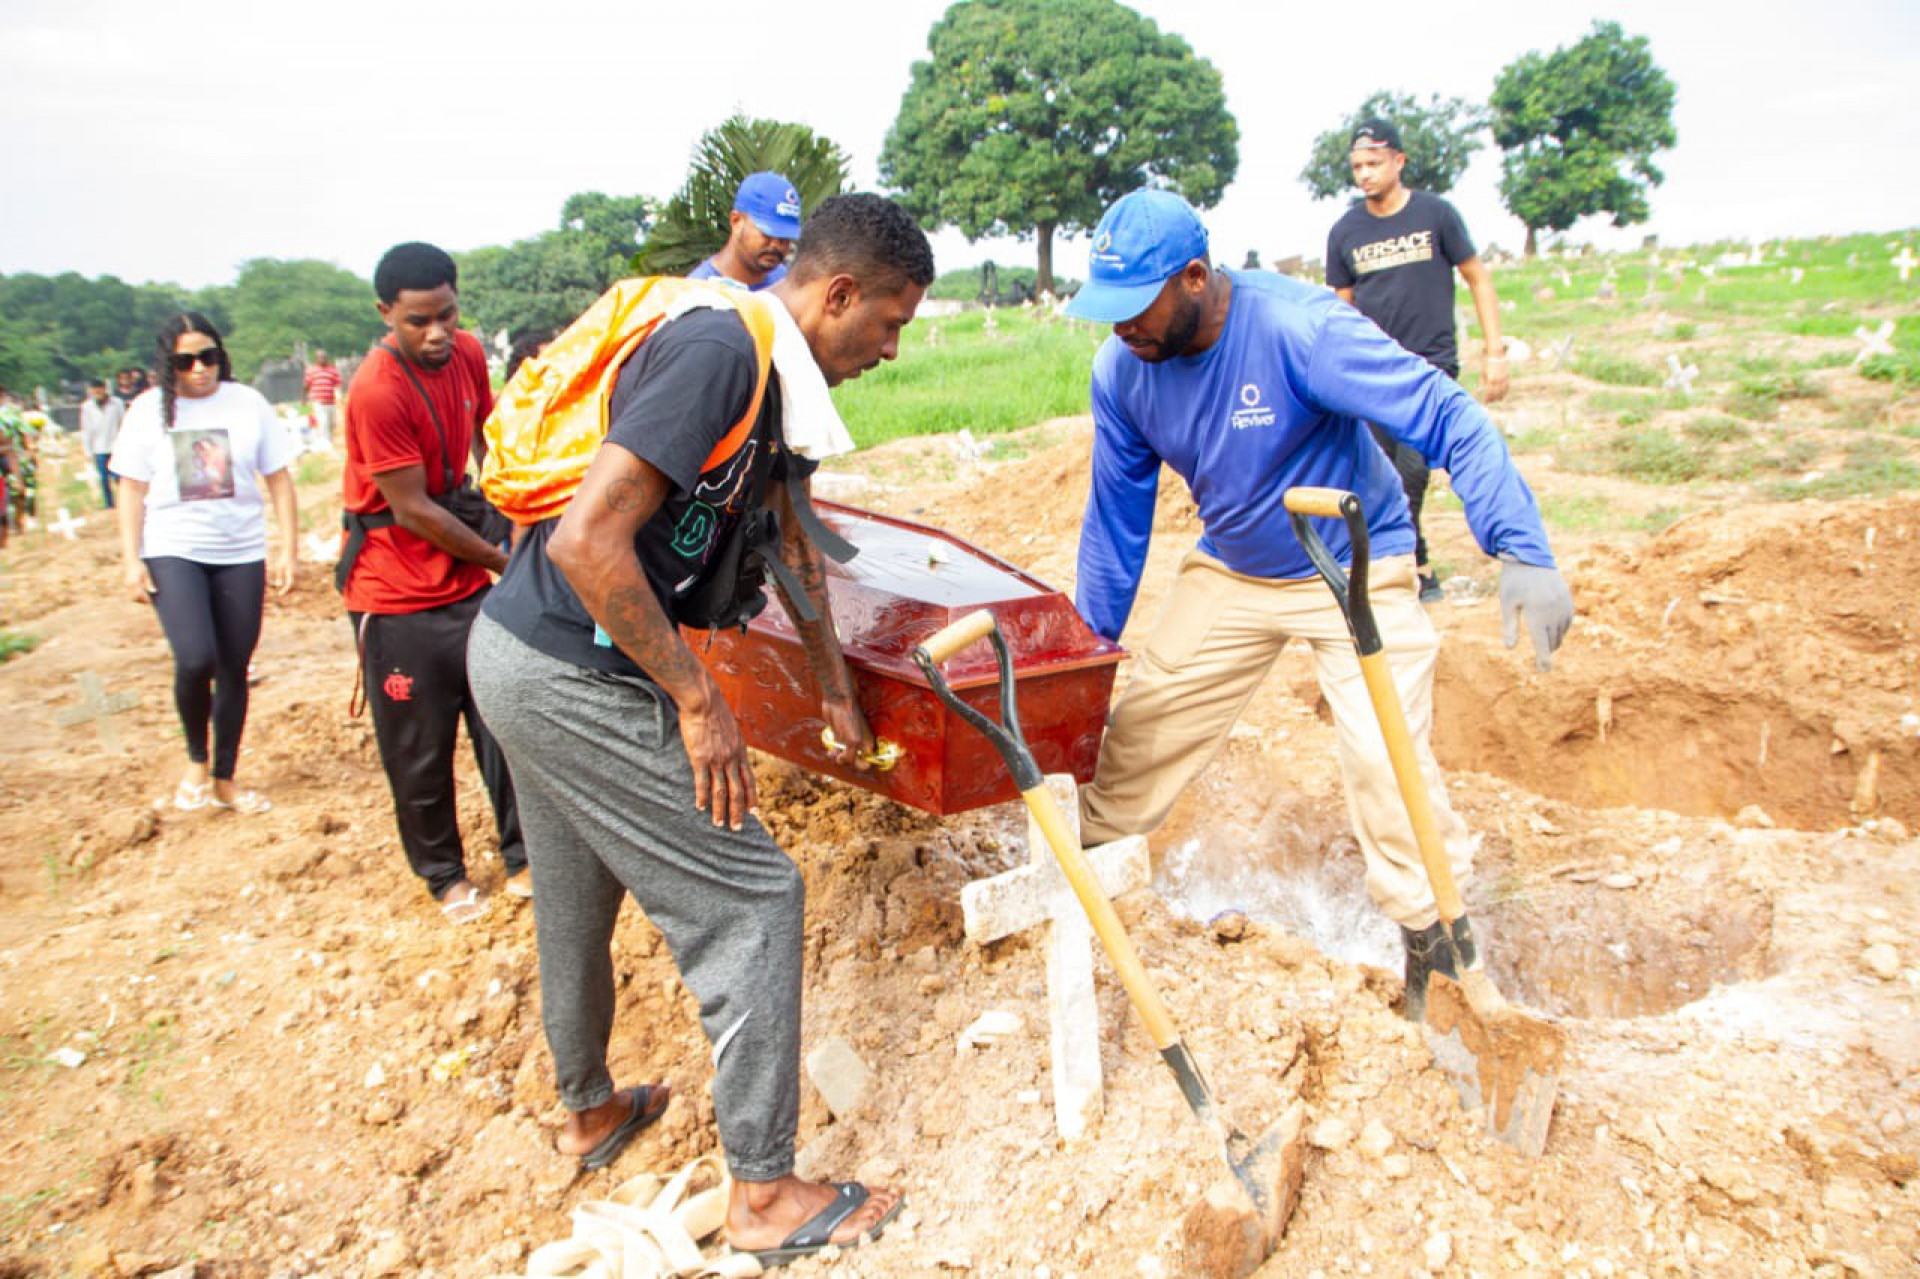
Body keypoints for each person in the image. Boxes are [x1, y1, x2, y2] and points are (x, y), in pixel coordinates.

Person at [466, 193, 930, 1263]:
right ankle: (765, 1195)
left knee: (577, 889)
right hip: (566, 670)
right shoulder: (723, 350)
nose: (894, 350)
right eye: (891, 323)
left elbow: (795, 542)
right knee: (758, 898)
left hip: (519, 655)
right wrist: (696, 698)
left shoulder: (777, 380)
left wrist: (832, 685)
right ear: (838, 294)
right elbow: (588, 541)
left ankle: (589, 1108)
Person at [1063, 190, 1572, 1019]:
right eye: (1107, 310)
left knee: (1386, 763)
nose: (1120, 328)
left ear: (1195, 278)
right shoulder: (1124, 373)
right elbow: (1114, 525)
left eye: (1135, 308)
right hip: (1234, 568)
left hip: (1350, 559)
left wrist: (1519, 545)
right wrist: (1083, 653)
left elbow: (1444, 413)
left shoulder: (1299, 328)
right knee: (1139, 736)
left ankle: (1438, 959)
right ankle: (1076, 893)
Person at [339, 242, 529, 924]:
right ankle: (443, 873)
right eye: (420, 320)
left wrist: (516, 515)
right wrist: (504, 561)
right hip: (398, 587)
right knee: (419, 744)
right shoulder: (376, 389)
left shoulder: (470, 353)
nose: (438, 332)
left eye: (448, 314)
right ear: (387, 313)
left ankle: (522, 853)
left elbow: (491, 439)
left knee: (498, 718)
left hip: (465, 560)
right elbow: (413, 508)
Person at [108, 313, 297, 814]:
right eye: (185, 361)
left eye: (208, 357)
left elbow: (279, 479)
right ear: (168, 365)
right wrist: (131, 559)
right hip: (174, 547)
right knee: (196, 657)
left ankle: (224, 777)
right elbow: (130, 488)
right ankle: (196, 758)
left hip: (240, 550)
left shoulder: (247, 403)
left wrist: (288, 549)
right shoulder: (149, 411)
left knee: (235, 665)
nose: (199, 369)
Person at [1326, 119, 1511, 603]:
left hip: (1430, 367)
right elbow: (1339, 308)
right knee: (1378, 474)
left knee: (1412, 471)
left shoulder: (1436, 215)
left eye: (1374, 163)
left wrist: (1495, 353)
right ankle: (1416, 566)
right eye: (1357, 166)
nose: (1364, 174)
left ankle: (1406, 566)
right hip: (1371, 371)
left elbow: (1479, 279)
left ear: (1399, 161)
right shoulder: (1346, 230)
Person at [688, 171, 803, 291]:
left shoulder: (788, 283)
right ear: (736, 221)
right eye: (766, 234)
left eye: (784, 238)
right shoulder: (699, 293)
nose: (775, 245)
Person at [80, 380, 127, 509]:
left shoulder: (116, 403)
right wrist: (87, 451)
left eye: (99, 389)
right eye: (94, 390)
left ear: (105, 389)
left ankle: (124, 502)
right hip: (99, 448)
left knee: (120, 477)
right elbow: (86, 430)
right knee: (104, 479)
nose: (97, 392)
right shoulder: (87, 407)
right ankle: (109, 504)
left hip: (116, 446)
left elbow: (123, 423)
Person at [303, 349, 343, 445]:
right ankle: (326, 443)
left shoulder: (333, 370)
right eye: (320, 357)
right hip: (318, 402)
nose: (322, 359)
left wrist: (339, 397)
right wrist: (304, 398)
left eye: (324, 357)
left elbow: (338, 384)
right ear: (316, 359)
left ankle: (332, 441)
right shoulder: (311, 370)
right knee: (323, 423)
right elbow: (306, 385)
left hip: (331, 402)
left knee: (332, 423)